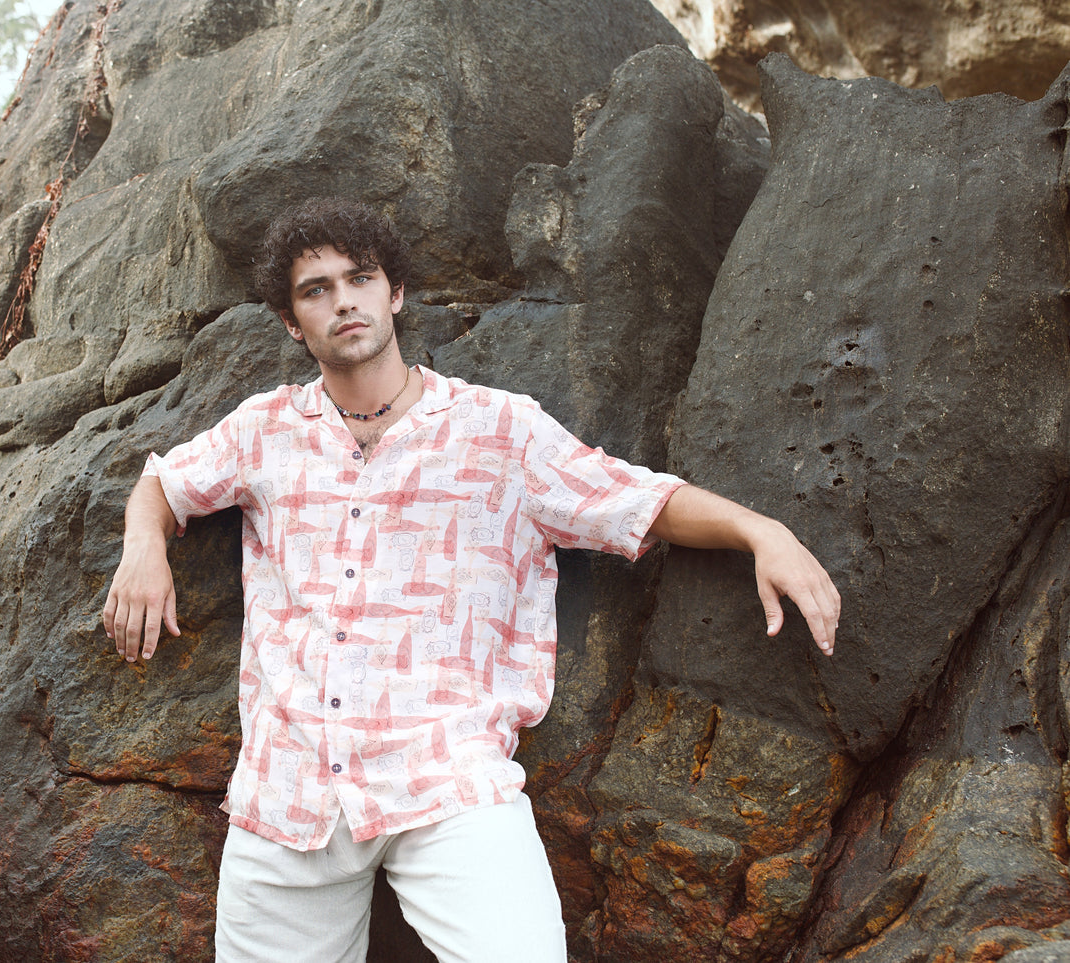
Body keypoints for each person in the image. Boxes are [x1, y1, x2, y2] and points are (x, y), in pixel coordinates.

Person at [102, 197, 839, 963]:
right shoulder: (262, 430)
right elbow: (163, 482)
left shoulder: (500, 429)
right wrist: (141, 548)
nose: (343, 299)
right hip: (290, 789)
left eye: (359, 278)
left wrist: (762, 531)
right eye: (316, 288)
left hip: (448, 777)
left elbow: (636, 499)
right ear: (292, 321)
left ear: (394, 293)